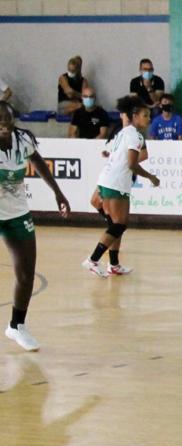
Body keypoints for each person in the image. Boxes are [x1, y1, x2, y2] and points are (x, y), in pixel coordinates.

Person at [0, 101, 71, 351]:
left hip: (17, 213)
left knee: (26, 273)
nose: (4, 126)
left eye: (7, 121)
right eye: (0, 122)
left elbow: (39, 162)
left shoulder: (22, 140)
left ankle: (16, 326)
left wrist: (58, 192)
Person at [81, 96, 159, 278]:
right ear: (135, 116)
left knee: (118, 224)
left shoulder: (124, 132)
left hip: (112, 180)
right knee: (119, 224)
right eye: (145, 115)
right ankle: (93, 260)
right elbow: (132, 164)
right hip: (116, 182)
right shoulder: (134, 135)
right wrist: (151, 177)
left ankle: (114, 264)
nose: (148, 119)